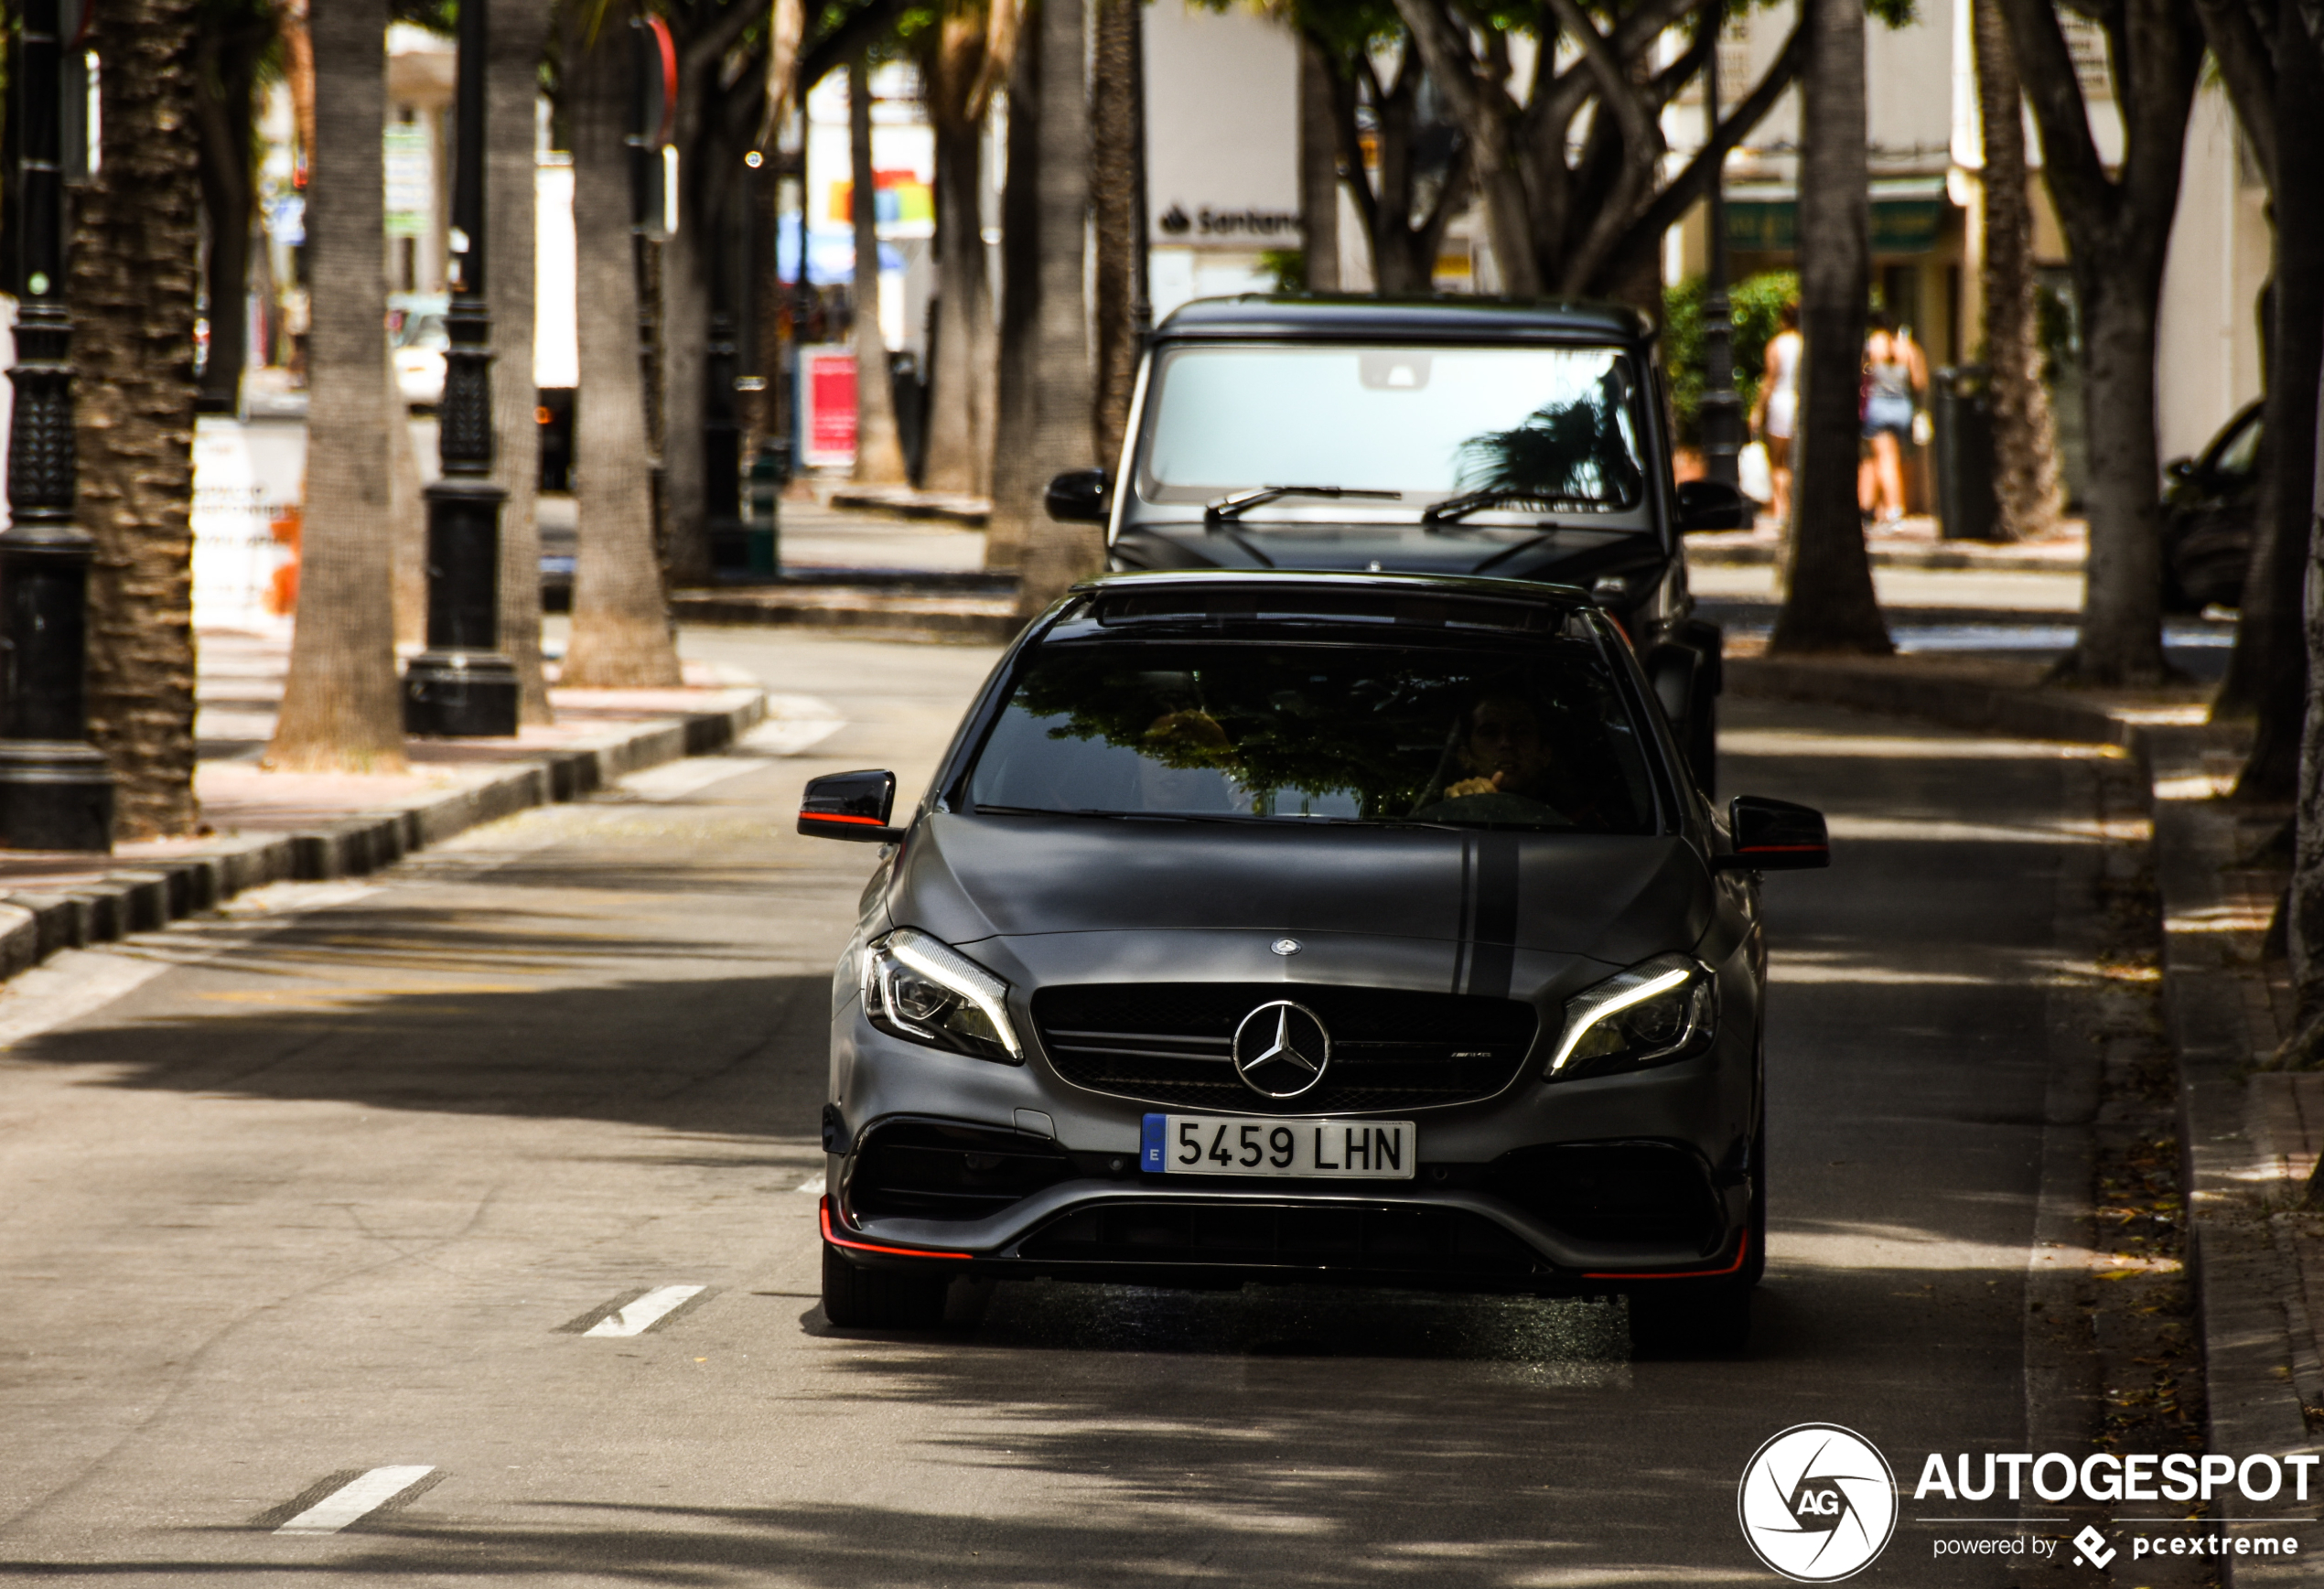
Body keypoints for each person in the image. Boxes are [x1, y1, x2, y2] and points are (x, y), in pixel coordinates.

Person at [1414, 693, 1580, 826]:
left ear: (1545, 754)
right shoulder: (1430, 827)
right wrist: (1451, 812)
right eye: (1489, 733)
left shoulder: (1584, 827)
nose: (1506, 743)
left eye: (1521, 731)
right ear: (1465, 757)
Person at [1858, 311, 1926, 525]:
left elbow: (1863, 376)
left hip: (1878, 407)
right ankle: (1874, 509)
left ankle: (1894, 510)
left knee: (1884, 460)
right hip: (1903, 407)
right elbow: (1919, 382)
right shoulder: (1908, 347)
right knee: (1893, 459)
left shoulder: (1871, 346)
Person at [1751, 301, 1802, 524]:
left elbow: (1769, 380)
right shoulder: (1807, 344)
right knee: (1794, 460)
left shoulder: (1776, 345)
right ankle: (1792, 509)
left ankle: (1780, 510)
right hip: (1800, 403)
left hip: (1781, 402)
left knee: (1777, 460)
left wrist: (1757, 410)